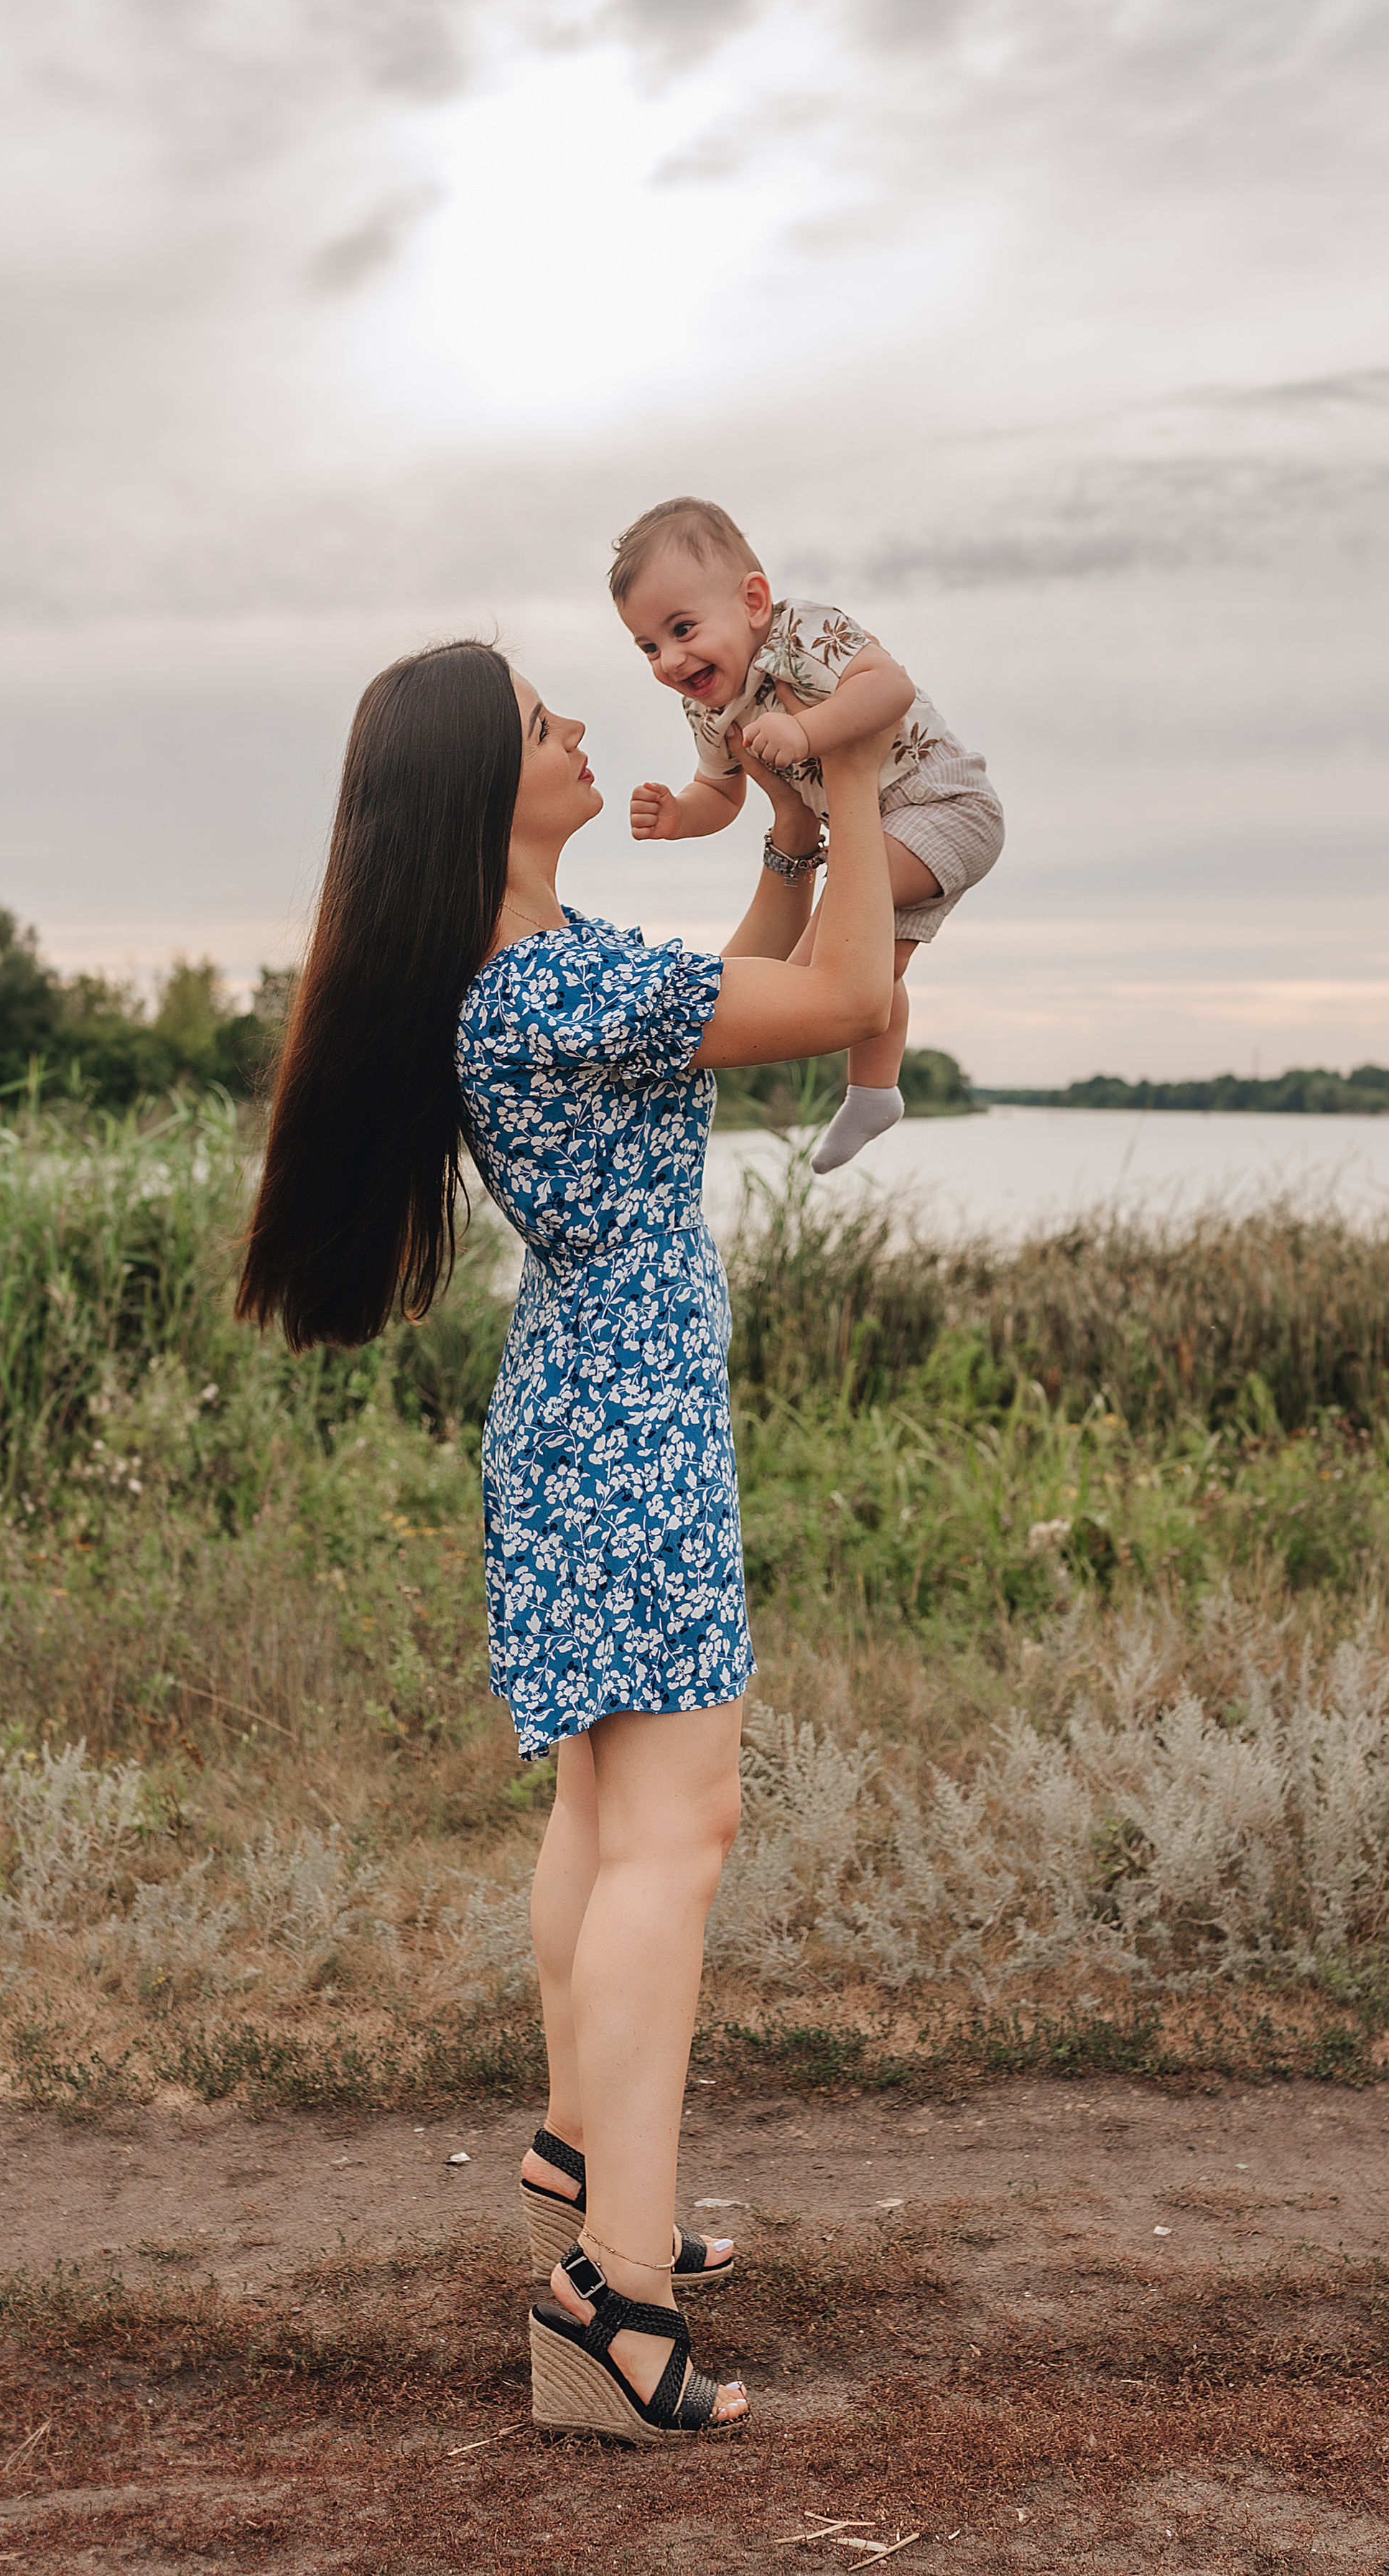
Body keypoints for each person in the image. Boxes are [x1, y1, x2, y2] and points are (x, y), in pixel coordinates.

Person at [235, 637, 893, 2446]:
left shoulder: (543, 975)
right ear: (478, 790)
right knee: (675, 1836)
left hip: (586, 1408)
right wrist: (852, 749)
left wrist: (775, 826)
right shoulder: (548, 990)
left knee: (607, 1821)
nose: (584, 724)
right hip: (626, 1425)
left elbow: (754, 978)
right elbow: (847, 997)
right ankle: (611, 2300)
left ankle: (587, 2167)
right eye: (543, 719)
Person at [613, 496, 1004, 1173]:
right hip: (882, 828)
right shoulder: (709, 710)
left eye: (682, 628)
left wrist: (806, 732)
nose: (670, 659)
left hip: (942, 801)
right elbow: (721, 791)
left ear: (754, 601)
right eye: (649, 646)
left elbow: (890, 688)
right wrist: (680, 815)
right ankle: (875, 1091)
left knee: (812, 972)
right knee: (874, 966)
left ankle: (824, 1050)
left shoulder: (804, 634)